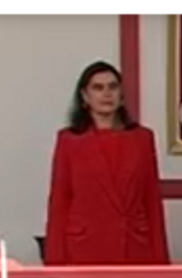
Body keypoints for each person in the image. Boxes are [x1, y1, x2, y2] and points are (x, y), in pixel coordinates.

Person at [44, 60, 170, 266]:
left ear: (121, 95)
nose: (106, 93)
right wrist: (55, 262)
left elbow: (151, 200)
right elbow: (59, 202)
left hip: (134, 247)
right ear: (85, 97)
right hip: (85, 248)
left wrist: (161, 261)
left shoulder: (142, 139)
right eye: (98, 88)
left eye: (113, 87)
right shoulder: (69, 141)